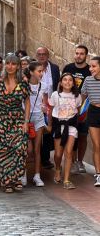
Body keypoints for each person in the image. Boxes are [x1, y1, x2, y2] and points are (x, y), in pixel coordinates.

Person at [0, 54, 31, 193]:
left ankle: (17, 178)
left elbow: (27, 101)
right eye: (7, 63)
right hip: (1, 118)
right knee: (2, 150)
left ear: (18, 66)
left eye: (13, 64)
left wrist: (26, 121)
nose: (10, 66)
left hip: (18, 117)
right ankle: (7, 181)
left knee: (20, 147)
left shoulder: (24, 80)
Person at [48, 73, 81, 190]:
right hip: (58, 126)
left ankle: (66, 180)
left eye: (70, 80)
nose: (67, 82)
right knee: (58, 154)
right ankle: (58, 168)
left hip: (71, 127)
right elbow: (51, 111)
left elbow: (78, 111)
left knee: (69, 153)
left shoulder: (77, 96)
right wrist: (50, 125)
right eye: (65, 80)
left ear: (73, 83)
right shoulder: (55, 95)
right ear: (61, 82)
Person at [63, 45, 91, 173]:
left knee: (83, 135)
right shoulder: (68, 68)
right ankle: (72, 161)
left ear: (86, 56)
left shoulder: (90, 70)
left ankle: (80, 162)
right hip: (69, 108)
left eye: (81, 54)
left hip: (85, 109)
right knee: (71, 135)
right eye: (77, 53)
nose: (78, 56)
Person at [22, 61, 49, 187]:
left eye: (42, 71)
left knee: (37, 148)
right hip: (25, 117)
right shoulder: (23, 84)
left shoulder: (43, 85)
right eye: (39, 71)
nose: (41, 73)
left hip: (38, 117)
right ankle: (23, 172)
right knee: (28, 149)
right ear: (31, 72)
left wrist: (44, 105)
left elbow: (45, 97)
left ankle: (37, 175)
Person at [37, 46, 60, 169]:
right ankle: (36, 156)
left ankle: (45, 158)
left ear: (48, 55)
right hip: (36, 104)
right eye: (39, 54)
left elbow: (57, 84)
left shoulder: (54, 68)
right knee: (36, 131)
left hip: (51, 105)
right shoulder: (33, 68)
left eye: (44, 54)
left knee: (48, 130)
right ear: (36, 56)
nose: (42, 56)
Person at [81, 56, 100, 186]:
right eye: (90, 66)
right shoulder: (88, 80)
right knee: (97, 145)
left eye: (94, 66)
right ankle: (98, 175)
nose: (91, 68)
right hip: (93, 112)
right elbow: (82, 97)